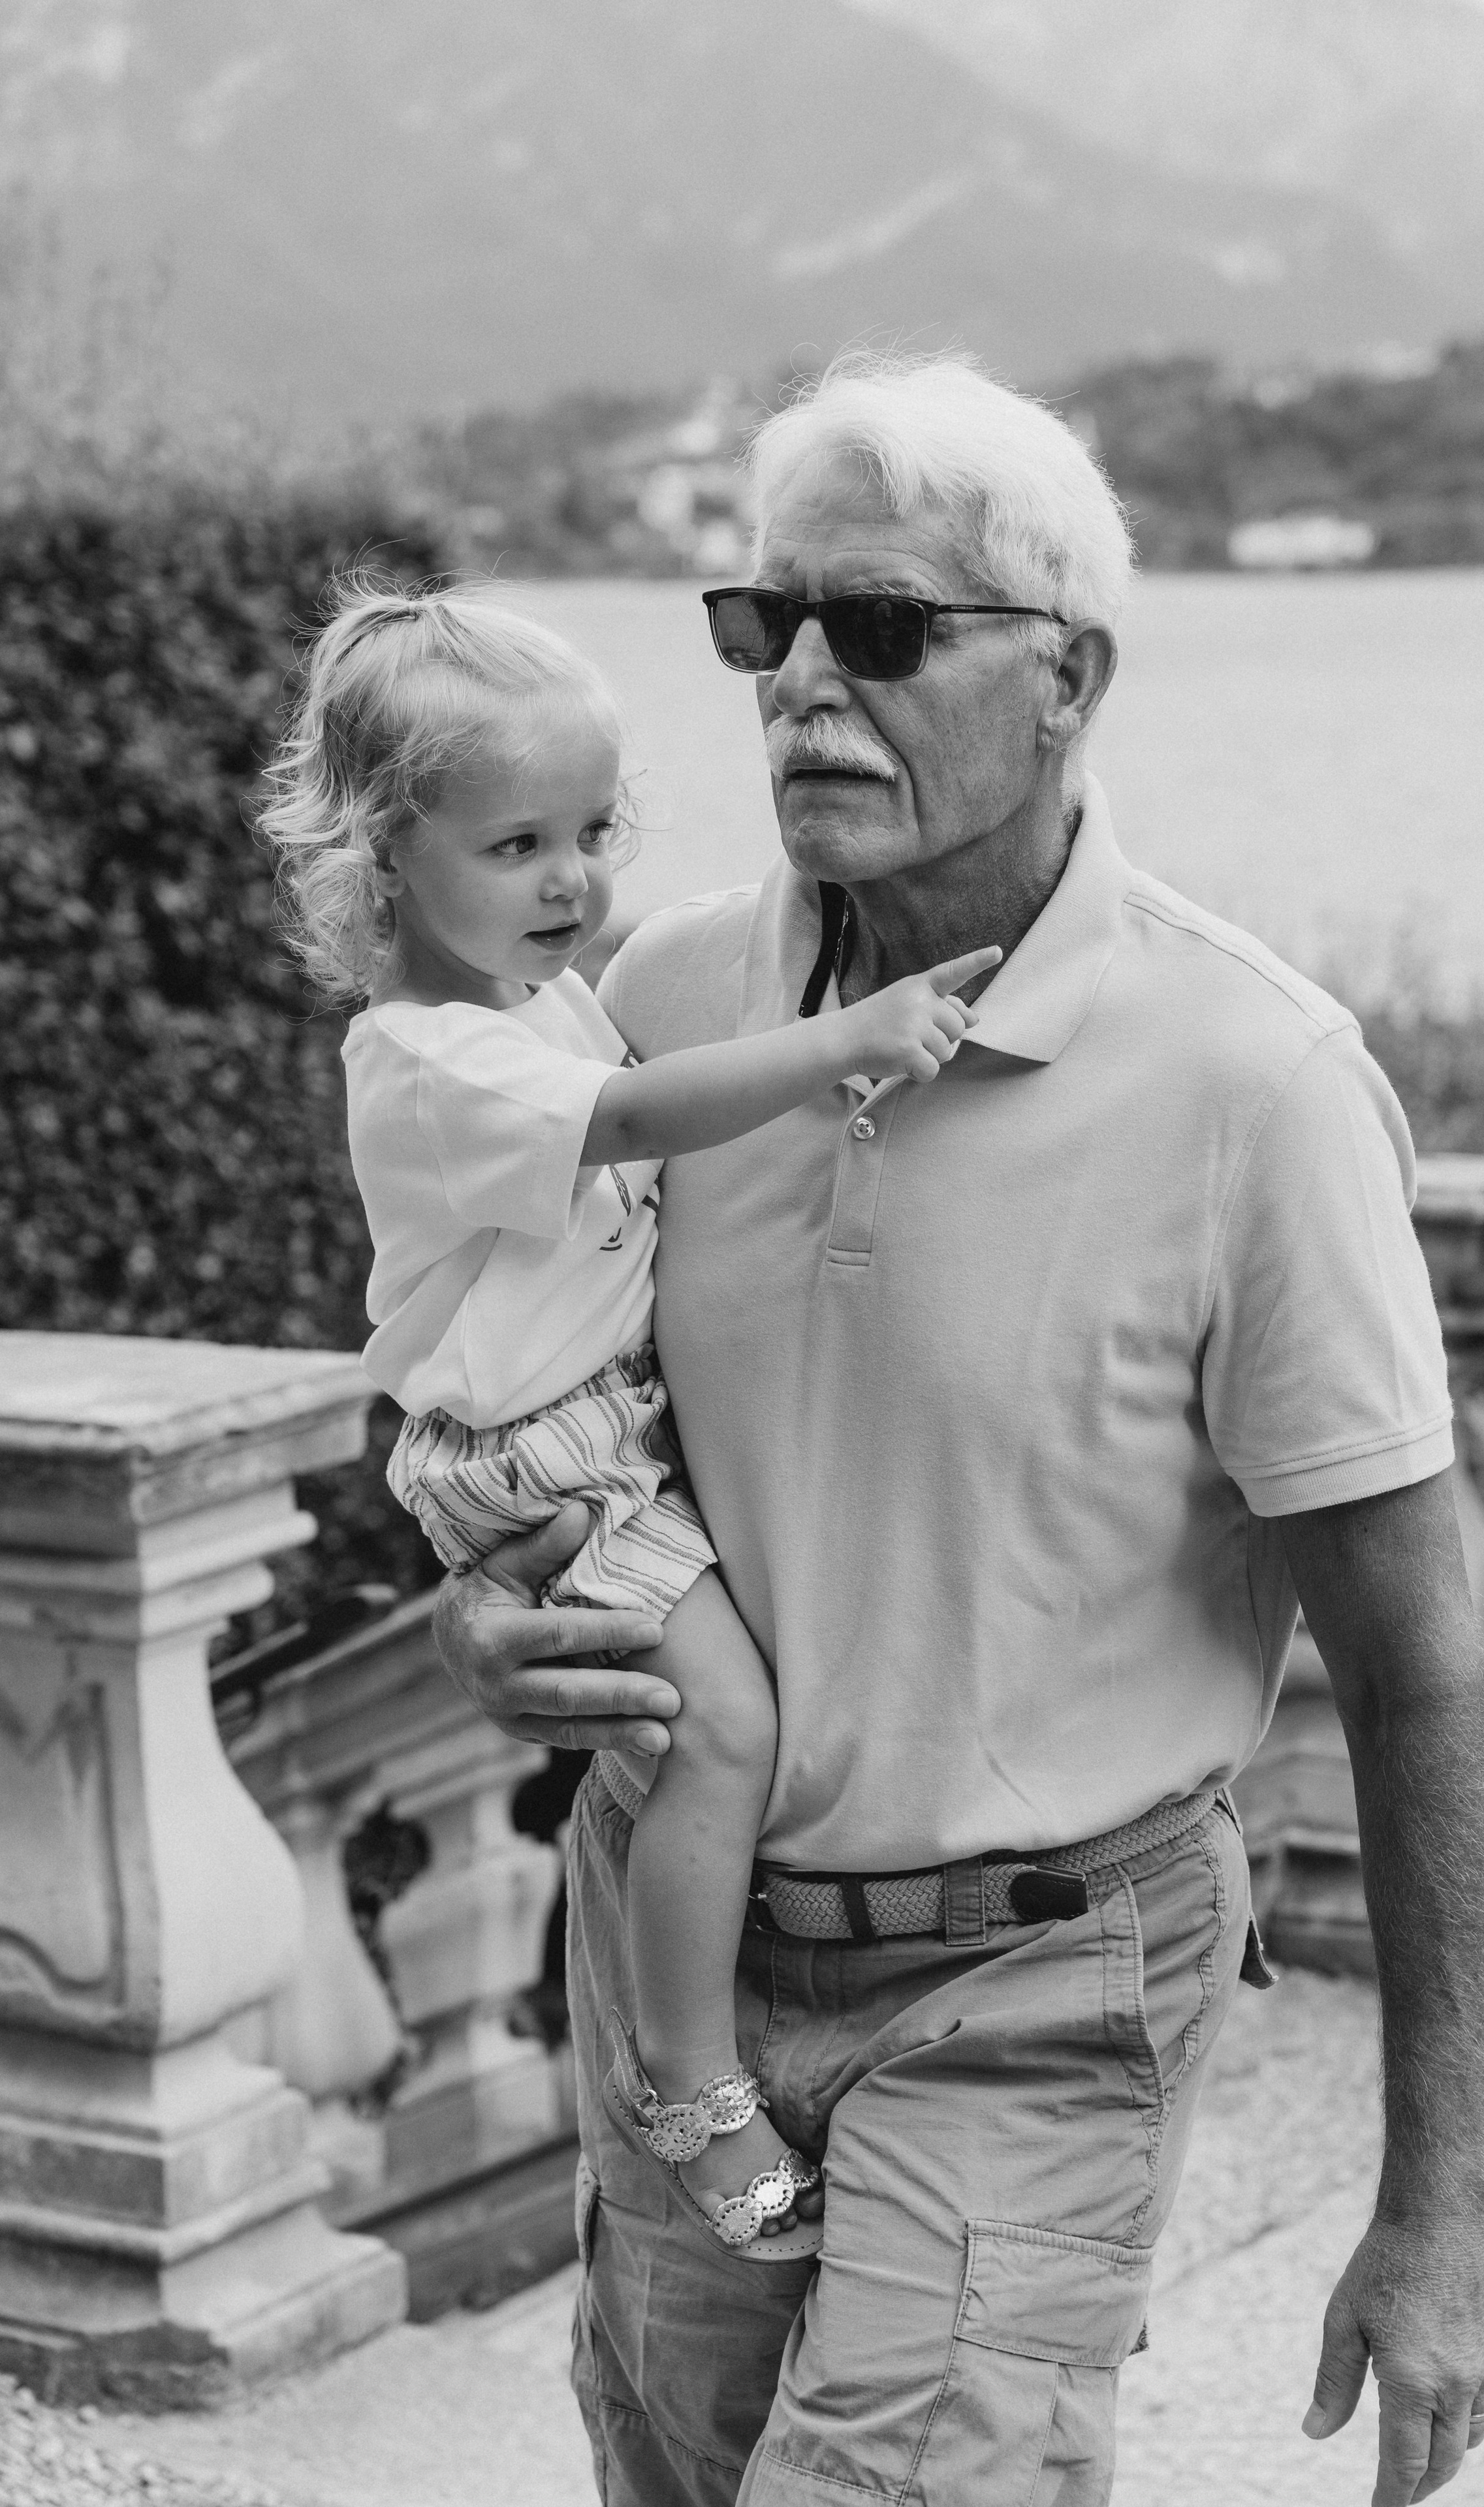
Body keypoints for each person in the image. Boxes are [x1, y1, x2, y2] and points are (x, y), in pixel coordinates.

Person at [430, 356, 1484, 2507]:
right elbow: (521, 1403)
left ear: (1068, 680)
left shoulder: (1257, 1086)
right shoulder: (652, 1014)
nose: (802, 681)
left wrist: (1445, 2216)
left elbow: (1417, 1669)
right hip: (674, 1960)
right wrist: (485, 1615)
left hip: (1045, 1987)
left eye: (886, 630)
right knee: (681, 2470)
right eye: (768, 626)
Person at [259, 583, 997, 2253]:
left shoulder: (539, 999)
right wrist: (842, 1042)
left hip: (592, 1423)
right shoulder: (431, 1058)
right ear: (385, 868)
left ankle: (683, 2037)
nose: (575, 880)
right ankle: (688, 2078)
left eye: (595, 830)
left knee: (688, 1736)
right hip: (547, 1448)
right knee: (722, 1733)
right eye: (516, 845)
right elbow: (628, 1118)